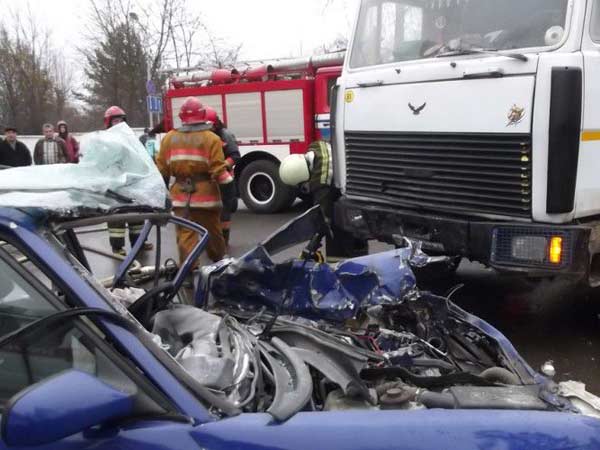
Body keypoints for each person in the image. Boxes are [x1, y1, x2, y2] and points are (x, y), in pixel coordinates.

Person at [156, 97, 234, 265]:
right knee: (213, 234)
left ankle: (189, 273)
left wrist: (163, 199)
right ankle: (219, 265)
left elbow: (162, 171)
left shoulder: (169, 138)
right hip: (207, 198)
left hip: (180, 198)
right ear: (203, 114)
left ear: (181, 117)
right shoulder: (211, 138)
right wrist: (229, 196)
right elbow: (219, 172)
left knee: (185, 236)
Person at [279, 140, 368, 263]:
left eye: (302, 185)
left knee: (340, 231)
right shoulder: (317, 147)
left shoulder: (321, 182)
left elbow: (322, 217)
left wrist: (311, 247)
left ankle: (346, 267)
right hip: (361, 182)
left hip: (357, 202)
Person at [103, 106, 152, 256]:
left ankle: (139, 243)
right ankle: (117, 247)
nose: (119, 123)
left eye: (121, 120)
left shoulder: (131, 138)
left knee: (136, 214)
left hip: (132, 181)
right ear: (109, 123)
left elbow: (140, 157)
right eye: (115, 120)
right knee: (116, 217)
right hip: (114, 184)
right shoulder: (105, 139)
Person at [205, 107, 240, 246]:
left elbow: (235, 156)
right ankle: (211, 240)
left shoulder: (225, 135)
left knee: (224, 210)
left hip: (224, 179)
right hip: (208, 180)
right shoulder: (205, 136)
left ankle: (224, 241)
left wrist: (222, 167)